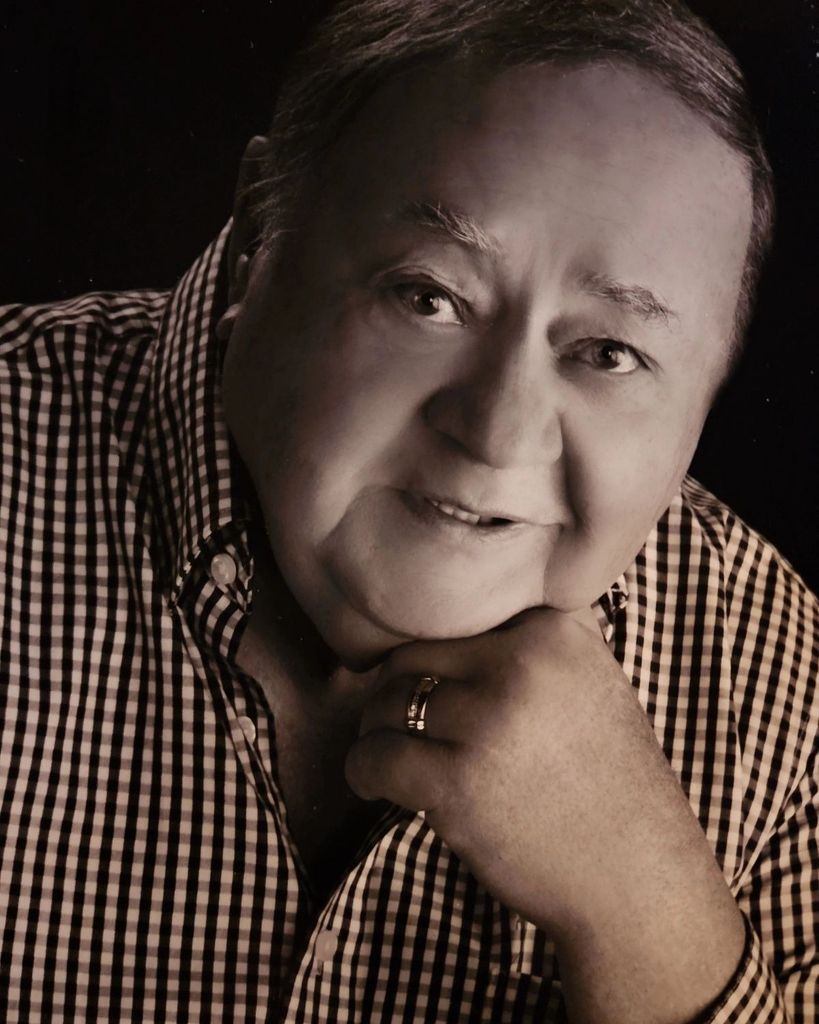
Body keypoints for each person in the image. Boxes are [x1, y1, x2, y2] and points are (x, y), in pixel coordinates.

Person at [0, 0, 816, 1021]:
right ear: (257, 232)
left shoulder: (781, 683)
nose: (498, 435)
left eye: (608, 353)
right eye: (430, 296)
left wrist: (647, 920)